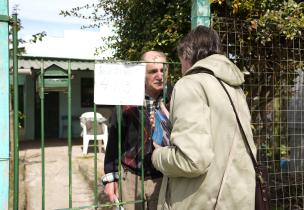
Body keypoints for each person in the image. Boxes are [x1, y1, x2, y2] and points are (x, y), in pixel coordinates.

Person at [151, 26, 256, 210]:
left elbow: (192, 160)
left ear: (186, 55)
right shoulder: (234, 88)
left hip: (204, 201)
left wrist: (157, 155)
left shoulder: (190, 84)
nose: (181, 69)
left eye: (180, 61)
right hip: (237, 199)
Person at [103, 51, 172, 210]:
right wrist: (109, 178)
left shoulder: (174, 96)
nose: (160, 76)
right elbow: (114, 137)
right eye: (153, 71)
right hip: (132, 179)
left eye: (163, 70)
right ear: (142, 74)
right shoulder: (127, 98)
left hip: (165, 179)